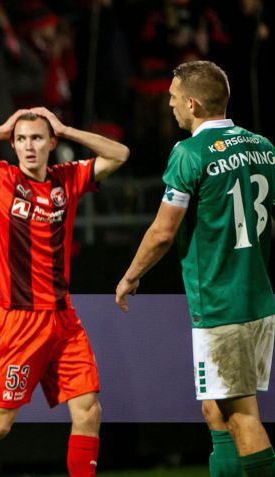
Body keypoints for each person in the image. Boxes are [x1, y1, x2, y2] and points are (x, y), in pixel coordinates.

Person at [0, 107, 130, 476]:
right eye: (22, 139)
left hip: (63, 317)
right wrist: (1, 129)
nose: (29, 146)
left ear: (51, 143)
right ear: (13, 144)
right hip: (19, 320)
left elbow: (119, 154)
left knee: (89, 411)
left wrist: (67, 129)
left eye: (37, 138)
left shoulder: (67, 178)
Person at [116, 60, 275, 477]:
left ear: (193, 103)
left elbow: (163, 232)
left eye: (173, 97)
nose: (169, 104)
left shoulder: (189, 153)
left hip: (222, 302)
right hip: (256, 294)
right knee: (215, 411)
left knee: (241, 416)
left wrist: (131, 275)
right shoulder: (263, 146)